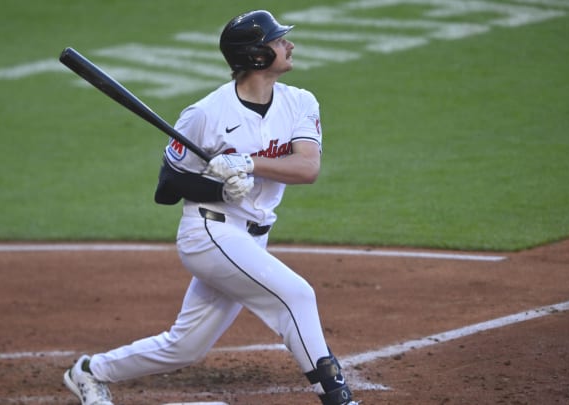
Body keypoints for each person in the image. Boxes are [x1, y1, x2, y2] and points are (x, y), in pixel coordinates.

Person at [63, 10, 359, 405]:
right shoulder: (205, 114)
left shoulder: (301, 101)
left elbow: (307, 168)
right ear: (257, 56)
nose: (289, 45)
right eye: (278, 40)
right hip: (209, 233)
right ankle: (338, 397)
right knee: (297, 296)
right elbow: (167, 188)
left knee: (186, 347)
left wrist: (248, 164)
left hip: (252, 239)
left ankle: (89, 372)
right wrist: (220, 189)